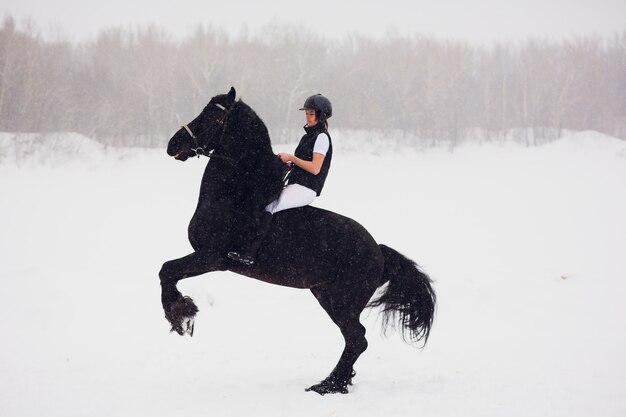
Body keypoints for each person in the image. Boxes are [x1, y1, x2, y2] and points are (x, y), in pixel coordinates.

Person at [228, 93, 333, 266]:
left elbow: (315, 168)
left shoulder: (321, 137)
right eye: (306, 112)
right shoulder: (308, 136)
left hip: (306, 189)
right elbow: (304, 164)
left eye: (311, 113)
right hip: (297, 184)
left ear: (322, 116)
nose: (307, 116)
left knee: (271, 205)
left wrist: (292, 157)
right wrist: (291, 164)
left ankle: (248, 253)